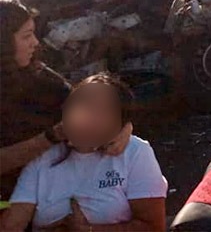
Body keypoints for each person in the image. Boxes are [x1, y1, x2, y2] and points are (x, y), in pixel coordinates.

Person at [0, 0, 131, 199]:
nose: (35, 43)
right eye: (26, 36)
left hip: (55, 184)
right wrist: (51, 137)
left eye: (33, 34)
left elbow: (80, 101)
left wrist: (123, 128)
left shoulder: (36, 73)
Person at [2, 74, 167, 232]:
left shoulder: (135, 152)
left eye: (102, 109)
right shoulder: (44, 156)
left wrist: (89, 230)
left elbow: (153, 227)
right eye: (81, 102)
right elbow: (11, 225)